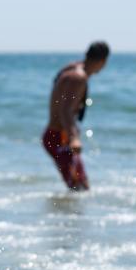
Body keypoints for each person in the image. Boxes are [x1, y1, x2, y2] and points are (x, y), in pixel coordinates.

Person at [43, 42, 110, 190]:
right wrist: (74, 138)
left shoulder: (72, 68)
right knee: (78, 187)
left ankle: (69, 211)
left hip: (57, 136)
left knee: (81, 184)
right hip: (59, 138)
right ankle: (70, 213)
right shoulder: (79, 78)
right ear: (103, 61)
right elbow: (65, 111)